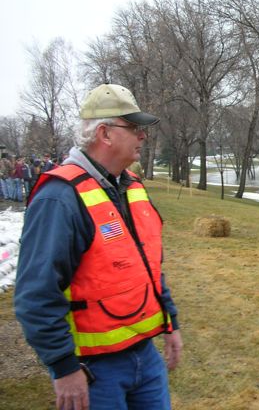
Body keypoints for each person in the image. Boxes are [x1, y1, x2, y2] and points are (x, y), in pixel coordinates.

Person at [15, 83, 182, 410]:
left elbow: (148, 266)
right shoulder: (59, 198)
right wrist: (63, 367)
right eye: (133, 127)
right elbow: (35, 293)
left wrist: (169, 322)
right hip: (94, 369)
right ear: (105, 133)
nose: (142, 136)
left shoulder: (131, 187)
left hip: (145, 357)